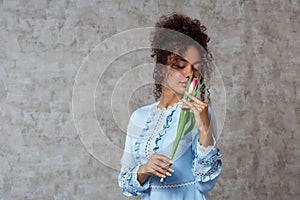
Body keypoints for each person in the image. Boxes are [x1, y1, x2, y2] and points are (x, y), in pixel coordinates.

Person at [118, 13, 222, 200]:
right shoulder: (139, 117)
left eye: (196, 67)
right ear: (161, 69)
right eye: (181, 65)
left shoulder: (200, 114)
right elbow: (125, 183)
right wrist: (144, 170)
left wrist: (205, 130)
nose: (189, 73)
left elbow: (206, 183)